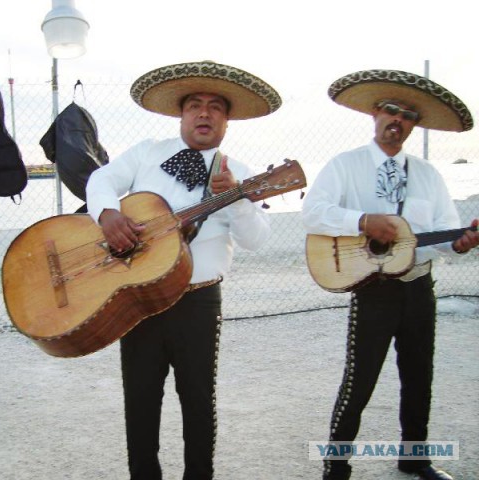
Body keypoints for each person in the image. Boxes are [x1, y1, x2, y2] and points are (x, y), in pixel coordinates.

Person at [86, 60, 281, 479]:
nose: (205, 113)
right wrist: (107, 214)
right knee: (139, 401)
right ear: (182, 114)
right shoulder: (146, 153)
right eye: (195, 105)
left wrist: (240, 199)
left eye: (215, 107)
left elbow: (257, 240)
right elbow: (101, 179)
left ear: (227, 121)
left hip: (198, 301)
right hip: (137, 299)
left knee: (197, 401)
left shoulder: (240, 173)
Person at [301, 69, 479, 480]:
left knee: (419, 379)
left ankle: (415, 459)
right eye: (392, 110)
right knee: (358, 383)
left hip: (418, 288)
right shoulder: (346, 166)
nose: (398, 121)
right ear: (376, 113)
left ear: (415, 126)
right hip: (373, 291)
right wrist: (362, 220)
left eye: (409, 115)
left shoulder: (429, 175)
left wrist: (457, 243)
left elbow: (437, 235)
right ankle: (336, 466)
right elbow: (313, 211)